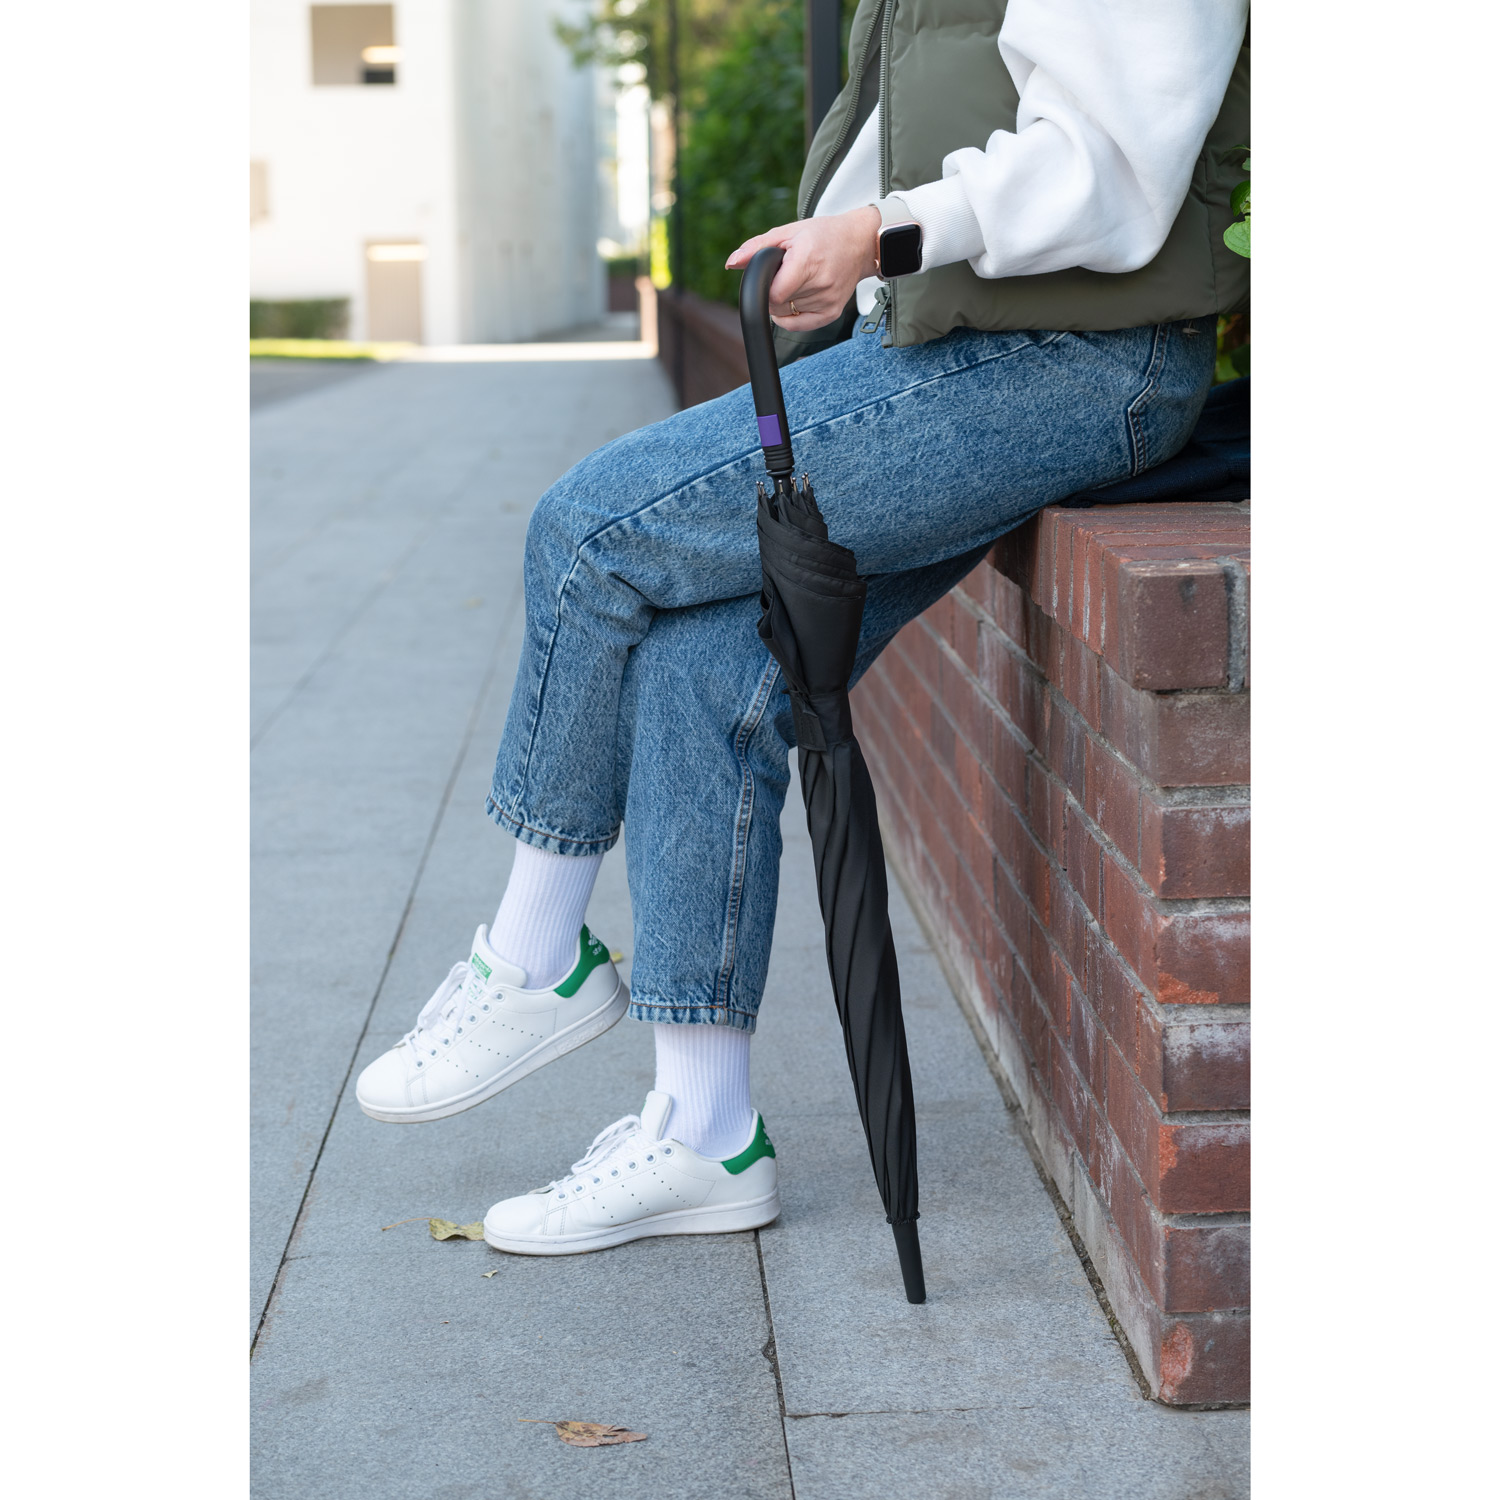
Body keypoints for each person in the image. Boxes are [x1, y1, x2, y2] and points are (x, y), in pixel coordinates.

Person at [355, 0, 1250, 1256]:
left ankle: (533, 955)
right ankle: (705, 1133)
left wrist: (880, 232)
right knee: (702, 662)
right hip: (953, 341)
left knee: (590, 534)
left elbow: (1111, 164)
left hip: (1071, 360)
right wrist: (854, 244)